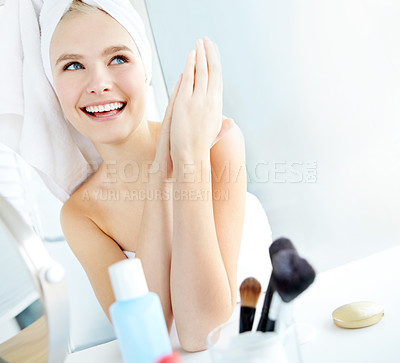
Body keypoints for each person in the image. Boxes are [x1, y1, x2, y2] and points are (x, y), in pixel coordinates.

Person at [24, 0, 247, 351]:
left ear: (145, 66)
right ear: (53, 88)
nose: (98, 83)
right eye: (73, 65)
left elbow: (203, 331)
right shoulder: (83, 215)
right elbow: (153, 341)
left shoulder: (215, 144)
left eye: (118, 58)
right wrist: (164, 173)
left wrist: (188, 158)